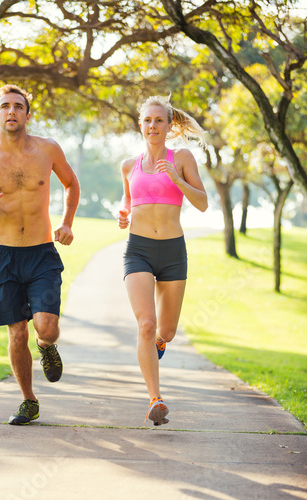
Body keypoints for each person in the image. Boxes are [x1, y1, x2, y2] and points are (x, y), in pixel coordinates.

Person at [0, 84, 80, 425]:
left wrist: (67, 223)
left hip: (42, 253)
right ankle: (29, 400)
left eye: (18, 106)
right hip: (4, 257)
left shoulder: (48, 150)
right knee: (16, 333)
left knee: (47, 327)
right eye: (5, 106)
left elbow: (71, 184)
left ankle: (47, 346)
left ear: (28, 115)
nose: (11, 111)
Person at [117, 95, 208, 426]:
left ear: (170, 126)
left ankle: (159, 342)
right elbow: (128, 202)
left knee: (165, 332)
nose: (152, 126)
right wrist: (123, 215)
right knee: (146, 324)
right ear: (140, 125)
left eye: (159, 120)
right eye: (147, 120)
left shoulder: (181, 157)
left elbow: (202, 203)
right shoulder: (129, 165)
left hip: (172, 252)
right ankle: (155, 398)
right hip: (138, 249)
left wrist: (178, 179)